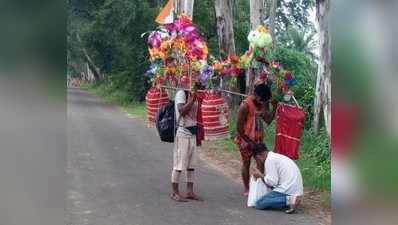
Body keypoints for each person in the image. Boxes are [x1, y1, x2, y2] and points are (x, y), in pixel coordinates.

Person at [235, 81, 278, 195]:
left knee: (261, 162)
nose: (263, 103)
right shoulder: (245, 105)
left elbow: (268, 120)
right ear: (256, 95)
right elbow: (238, 128)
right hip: (245, 139)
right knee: (246, 162)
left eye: (264, 102)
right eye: (261, 100)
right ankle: (247, 189)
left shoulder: (263, 102)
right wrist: (249, 142)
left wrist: (274, 108)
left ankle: (258, 188)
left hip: (258, 139)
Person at [170, 76, 202, 202]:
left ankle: (189, 191)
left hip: (192, 133)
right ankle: (175, 192)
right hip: (183, 133)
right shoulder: (181, 93)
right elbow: (182, 111)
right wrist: (193, 98)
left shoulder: (193, 94)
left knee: (191, 165)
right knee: (179, 165)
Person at [251, 143, 303, 214]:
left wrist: (260, 175)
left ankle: (291, 200)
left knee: (259, 203)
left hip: (288, 189)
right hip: (294, 188)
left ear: (258, 156)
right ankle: (289, 200)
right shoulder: (274, 157)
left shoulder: (269, 160)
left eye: (256, 159)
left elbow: (272, 182)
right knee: (269, 198)